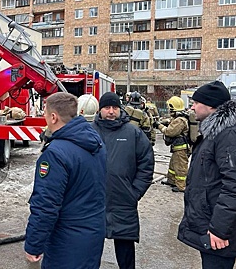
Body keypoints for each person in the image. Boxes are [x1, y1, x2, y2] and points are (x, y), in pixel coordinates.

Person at [25, 92, 107, 268]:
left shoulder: (55, 154)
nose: (43, 116)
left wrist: (34, 244)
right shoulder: (95, 142)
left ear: (54, 117)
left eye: (45, 112)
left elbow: (46, 204)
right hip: (93, 233)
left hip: (67, 240)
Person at [177, 81, 236, 268]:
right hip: (212, 226)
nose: (192, 106)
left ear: (210, 105)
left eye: (195, 102)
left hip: (219, 233)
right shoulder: (216, 132)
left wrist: (219, 230)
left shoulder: (230, 135)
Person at [92, 92, 154, 269]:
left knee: (125, 251)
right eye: (107, 108)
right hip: (94, 201)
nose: (111, 111)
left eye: (115, 108)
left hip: (123, 201)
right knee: (90, 249)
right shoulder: (90, 131)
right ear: (100, 109)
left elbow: (146, 164)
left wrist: (134, 192)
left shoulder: (133, 133)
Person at [154, 96, 189, 192]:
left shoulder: (180, 120)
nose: (169, 110)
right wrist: (164, 122)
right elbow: (171, 122)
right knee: (173, 165)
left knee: (180, 167)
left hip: (181, 148)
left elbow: (170, 132)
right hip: (177, 147)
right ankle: (172, 180)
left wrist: (159, 125)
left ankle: (181, 186)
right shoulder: (178, 118)